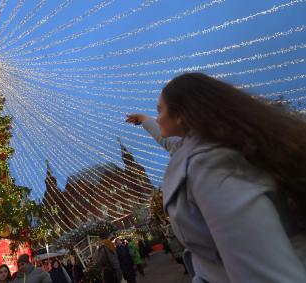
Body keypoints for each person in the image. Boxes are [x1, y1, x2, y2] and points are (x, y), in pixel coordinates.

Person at [127, 72, 306, 282]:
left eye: (160, 110)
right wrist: (144, 120)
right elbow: (169, 143)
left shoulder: (210, 165)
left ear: (181, 114)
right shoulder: (205, 145)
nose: (158, 117)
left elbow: (262, 269)